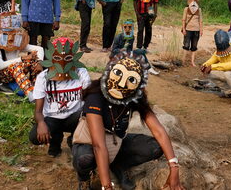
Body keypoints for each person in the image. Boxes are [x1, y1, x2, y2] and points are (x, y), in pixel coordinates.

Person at [72, 51, 184, 190]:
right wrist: (107, 186)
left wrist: (174, 167)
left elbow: (158, 130)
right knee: (85, 159)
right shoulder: (95, 96)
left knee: (155, 147)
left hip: (116, 142)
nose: (122, 83)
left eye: (131, 80)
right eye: (118, 74)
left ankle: (118, 165)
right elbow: (98, 145)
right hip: (89, 142)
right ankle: (84, 178)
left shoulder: (134, 96)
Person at [29, 37, 91, 157]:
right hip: (52, 118)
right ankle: (55, 140)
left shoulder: (81, 73)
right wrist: (41, 124)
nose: (62, 63)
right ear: (51, 57)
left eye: (68, 58)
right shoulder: (43, 77)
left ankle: (75, 139)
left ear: (74, 57)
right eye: (57, 58)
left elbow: (89, 100)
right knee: (35, 136)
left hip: (74, 117)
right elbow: (38, 110)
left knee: (89, 117)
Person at [0, 12, 44, 99]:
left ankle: (37, 88)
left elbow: (39, 49)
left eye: (13, 35)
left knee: (34, 63)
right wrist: (22, 59)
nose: (11, 38)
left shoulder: (17, 43)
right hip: (3, 76)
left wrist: (39, 62)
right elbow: (0, 66)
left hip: (18, 74)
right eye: (7, 34)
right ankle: (31, 95)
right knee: (15, 66)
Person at [181, 0, 203, 67]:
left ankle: (192, 62)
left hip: (196, 30)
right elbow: (183, 19)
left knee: (194, 46)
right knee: (186, 45)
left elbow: (201, 20)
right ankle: (183, 61)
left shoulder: (199, 9)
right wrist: (183, 29)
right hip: (188, 29)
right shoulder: (186, 9)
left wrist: (201, 30)